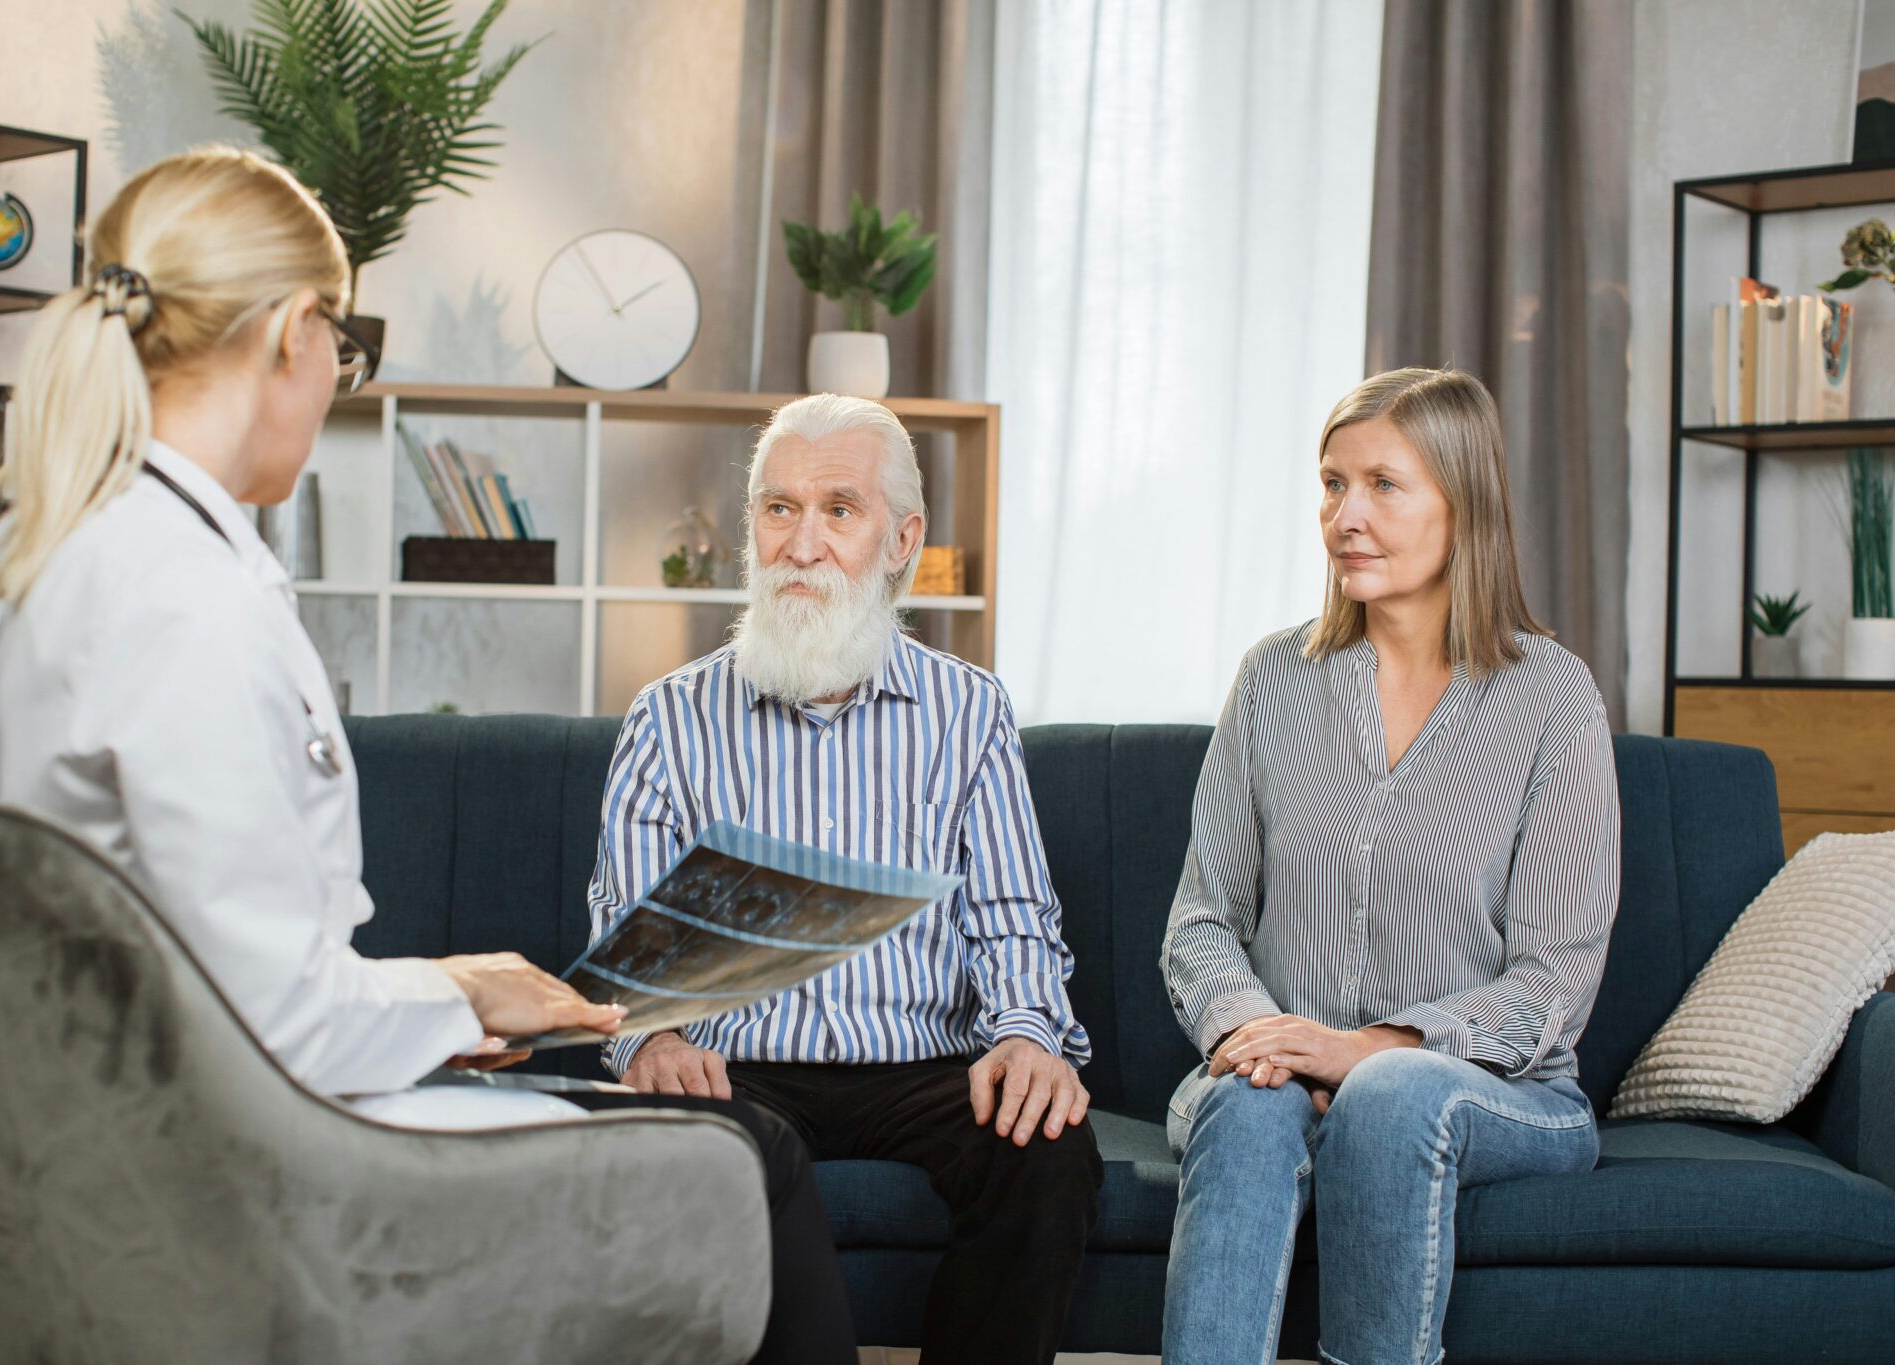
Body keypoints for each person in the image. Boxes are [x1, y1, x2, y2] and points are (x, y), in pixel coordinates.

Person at [0, 146, 853, 1365]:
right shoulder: (185, 598)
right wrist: (457, 992)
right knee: (755, 1160)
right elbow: (273, 1022)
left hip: (78, 1167)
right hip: (241, 1186)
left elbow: (193, 957)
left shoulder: (10, 569)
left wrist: (450, 992)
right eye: (342, 351)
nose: (334, 387)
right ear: (292, 333)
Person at [588, 393, 1103, 1365]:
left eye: (838, 509)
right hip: (737, 1060)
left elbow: (1011, 915)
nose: (801, 542)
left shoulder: (968, 710)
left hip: (922, 1062)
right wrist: (650, 1034)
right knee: (682, 1149)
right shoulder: (666, 718)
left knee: (1049, 1149)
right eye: (777, 508)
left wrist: (1030, 1034)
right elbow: (630, 931)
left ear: (899, 539)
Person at [1159, 367, 1620, 1365]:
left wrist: (1365, 1051)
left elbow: (1554, 981)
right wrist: (1256, 1036)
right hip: (1278, 1069)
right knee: (1244, 1107)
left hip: (1506, 1094)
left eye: (1381, 485)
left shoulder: (1551, 699)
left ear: (1464, 502)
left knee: (1388, 1094)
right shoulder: (1274, 681)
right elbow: (1201, 918)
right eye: (1331, 484)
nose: (1345, 516)